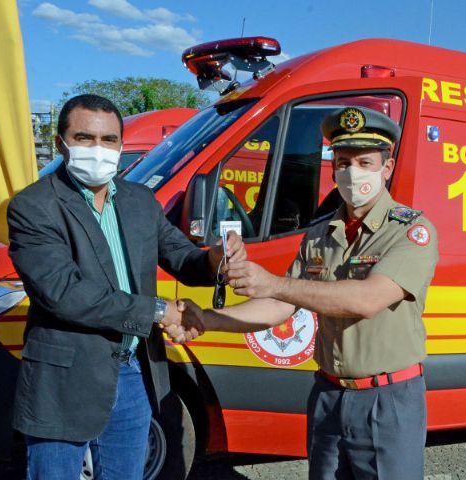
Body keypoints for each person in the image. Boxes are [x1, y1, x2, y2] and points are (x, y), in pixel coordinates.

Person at [181, 106, 439, 479]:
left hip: (386, 399)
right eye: (343, 162)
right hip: (328, 395)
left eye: (365, 162)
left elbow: (367, 300)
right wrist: (207, 320)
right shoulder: (320, 234)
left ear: (387, 168)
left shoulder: (410, 231)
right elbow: (278, 305)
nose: (352, 173)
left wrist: (273, 282)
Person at [7, 94, 242, 479]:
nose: (98, 149)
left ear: (120, 145)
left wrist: (214, 260)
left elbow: (180, 255)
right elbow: (64, 294)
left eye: (109, 139)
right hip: (68, 379)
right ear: (60, 143)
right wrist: (158, 310)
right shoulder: (34, 206)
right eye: (84, 138)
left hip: (134, 373)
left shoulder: (139, 200)